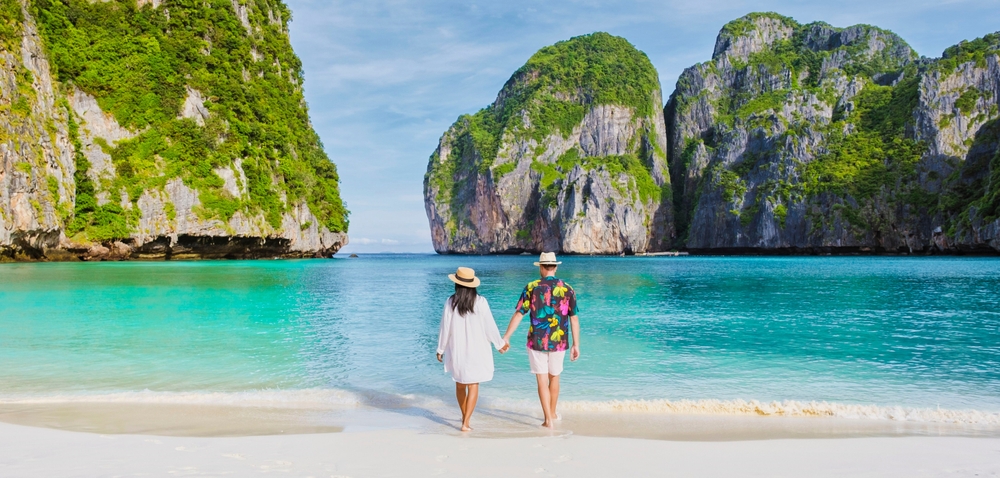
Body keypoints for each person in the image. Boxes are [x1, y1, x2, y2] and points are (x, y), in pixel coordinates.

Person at [500, 252, 580, 428]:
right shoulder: (568, 288)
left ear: (541, 267)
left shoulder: (532, 287)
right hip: (559, 341)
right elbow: (574, 318)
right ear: (555, 267)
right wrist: (576, 344)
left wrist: (506, 336)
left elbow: (520, 313)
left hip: (536, 341)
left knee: (542, 380)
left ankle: (548, 420)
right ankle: (552, 412)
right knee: (555, 377)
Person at [436, 266, 507, 432]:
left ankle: (464, 418)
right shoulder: (481, 302)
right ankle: (466, 422)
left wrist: (440, 349)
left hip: (458, 350)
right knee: (473, 385)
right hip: (477, 350)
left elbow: (444, 328)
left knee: (460, 385)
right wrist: (499, 344)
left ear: (457, 285)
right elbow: (490, 326)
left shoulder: (450, 302)